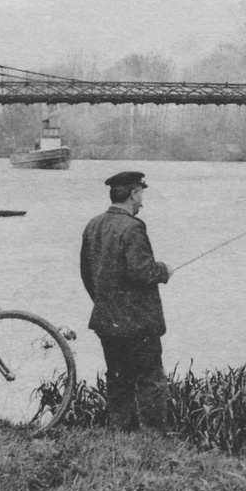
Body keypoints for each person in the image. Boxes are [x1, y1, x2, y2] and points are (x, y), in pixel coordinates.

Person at [80, 171, 173, 432]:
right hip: (138, 323)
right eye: (141, 193)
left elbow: (86, 273)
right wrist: (164, 270)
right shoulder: (133, 227)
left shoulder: (93, 224)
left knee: (118, 377)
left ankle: (121, 431)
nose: (142, 201)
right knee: (150, 379)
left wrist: (103, 302)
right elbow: (142, 272)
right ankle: (155, 436)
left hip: (107, 320)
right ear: (133, 194)